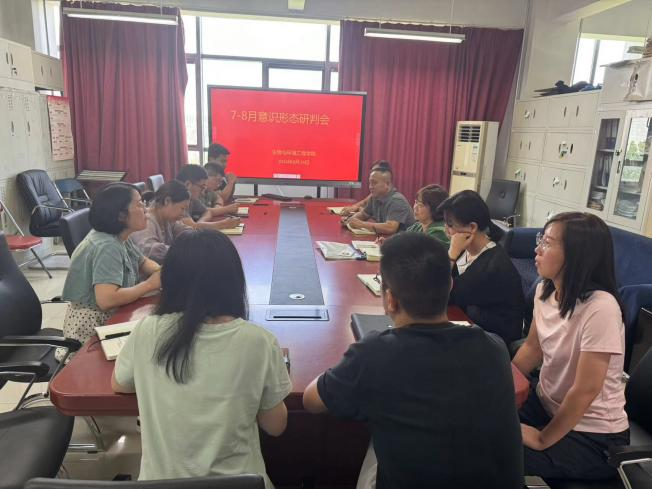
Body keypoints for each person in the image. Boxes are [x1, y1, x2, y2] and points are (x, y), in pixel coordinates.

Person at [303, 233, 523, 489]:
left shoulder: (374, 354)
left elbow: (311, 400)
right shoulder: (494, 347)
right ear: (450, 286)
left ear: (390, 300)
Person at [112, 229, 291, 486]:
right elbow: (276, 426)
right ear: (233, 281)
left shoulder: (146, 329)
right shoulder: (259, 341)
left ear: (169, 280)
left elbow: (120, 383)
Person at [513, 212, 629, 481]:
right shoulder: (545, 290)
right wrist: (499, 386)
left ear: (577, 255)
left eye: (547, 243)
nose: (537, 249)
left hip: (592, 433)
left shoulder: (601, 308)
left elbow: (586, 389)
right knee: (477, 420)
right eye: (540, 239)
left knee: (497, 453)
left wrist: (543, 438)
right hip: (545, 404)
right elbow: (532, 349)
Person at [57, 183, 161, 360]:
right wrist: (150, 284)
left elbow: (143, 261)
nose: (146, 209)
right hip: (91, 336)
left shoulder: (120, 236)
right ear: (121, 215)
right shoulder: (107, 246)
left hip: (112, 320)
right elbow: (107, 300)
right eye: (139, 204)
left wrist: (162, 271)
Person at [438, 190, 524, 345]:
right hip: (470, 325)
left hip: (493, 343)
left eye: (450, 225)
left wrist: (451, 254)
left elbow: (439, 295)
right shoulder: (465, 249)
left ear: (472, 227)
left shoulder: (492, 267)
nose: (446, 230)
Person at [131, 181, 192, 264]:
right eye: (182, 208)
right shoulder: (146, 221)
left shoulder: (168, 219)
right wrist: (185, 250)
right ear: (167, 201)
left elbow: (184, 230)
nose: (183, 214)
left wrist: (194, 239)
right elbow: (150, 252)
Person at [342, 166, 415, 235]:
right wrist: (349, 220)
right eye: (370, 183)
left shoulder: (397, 200)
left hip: (406, 242)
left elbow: (390, 228)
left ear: (387, 184)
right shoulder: (375, 197)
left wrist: (361, 224)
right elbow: (364, 214)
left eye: (374, 183)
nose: (370, 187)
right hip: (385, 239)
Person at [176, 164, 240, 230]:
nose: (202, 193)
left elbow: (207, 212)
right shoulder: (176, 199)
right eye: (201, 187)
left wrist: (200, 222)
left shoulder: (192, 199)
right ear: (188, 184)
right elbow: (191, 227)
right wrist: (223, 224)